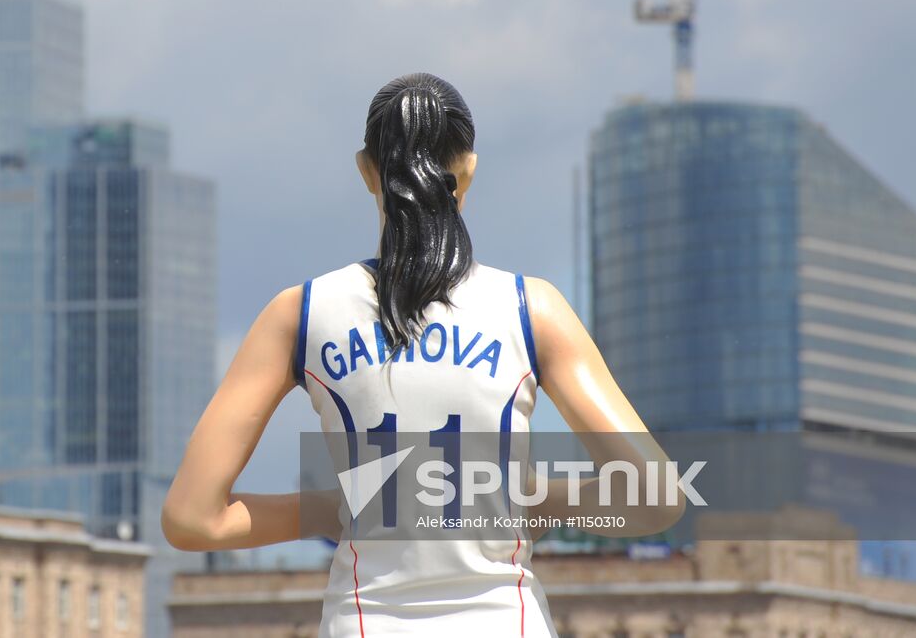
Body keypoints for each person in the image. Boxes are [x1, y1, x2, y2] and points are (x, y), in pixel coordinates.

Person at [162, 72, 682, 637]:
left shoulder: (301, 313)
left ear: (367, 170)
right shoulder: (533, 310)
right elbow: (655, 498)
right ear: (469, 169)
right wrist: (523, 498)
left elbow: (193, 521)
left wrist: (338, 508)